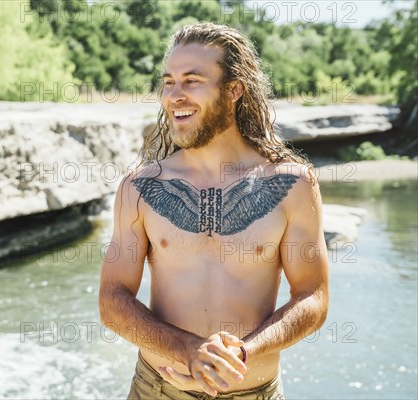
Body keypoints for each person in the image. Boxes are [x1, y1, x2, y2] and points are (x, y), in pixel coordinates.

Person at [98, 23, 329, 400]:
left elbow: (313, 298)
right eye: (169, 82)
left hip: (253, 392)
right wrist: (188, 350)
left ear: (234, 90)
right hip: (158, 389)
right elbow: (112, 299)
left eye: (192, 81)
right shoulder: (139, 187)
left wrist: (239, 354)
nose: (175, 95)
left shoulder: (294, 184)